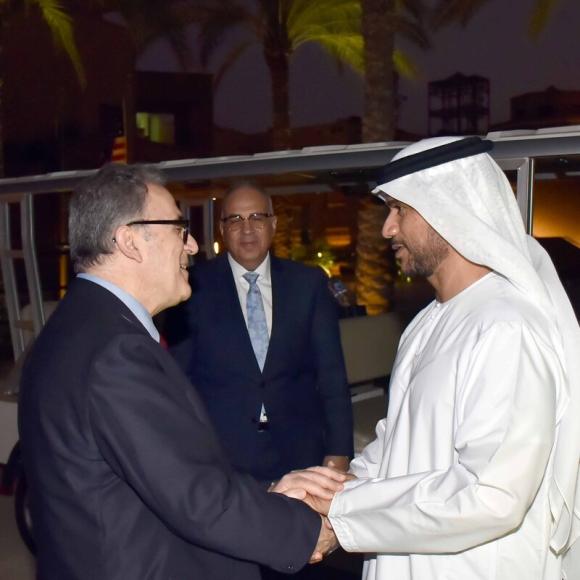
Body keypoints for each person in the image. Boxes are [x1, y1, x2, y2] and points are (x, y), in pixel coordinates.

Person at [18, 164, 344, 580]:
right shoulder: (116, 351)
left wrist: (269, 494)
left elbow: (167, 476)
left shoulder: (79, 325)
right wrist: (309, 530)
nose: (191, 245)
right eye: (178, 227)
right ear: (130, 240)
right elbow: (197, 501)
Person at [304, 137, 580, 579]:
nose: (387, 229)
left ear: (448, 209)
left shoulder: (506, 326)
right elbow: (400, 442)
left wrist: (343, 514)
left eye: (400, 210)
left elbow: (490, 495)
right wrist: (331, 488)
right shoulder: (427, 321)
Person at [168, 182, 353, 482]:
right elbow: (179, 381)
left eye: (257, 217)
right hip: (222, 458)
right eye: (235, 220)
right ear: (222, 229)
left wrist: (339, 451)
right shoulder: (192, 287)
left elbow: (331, 375)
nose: (247, 229)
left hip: (300, 451)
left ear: (273, 224)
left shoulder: (308, 284)